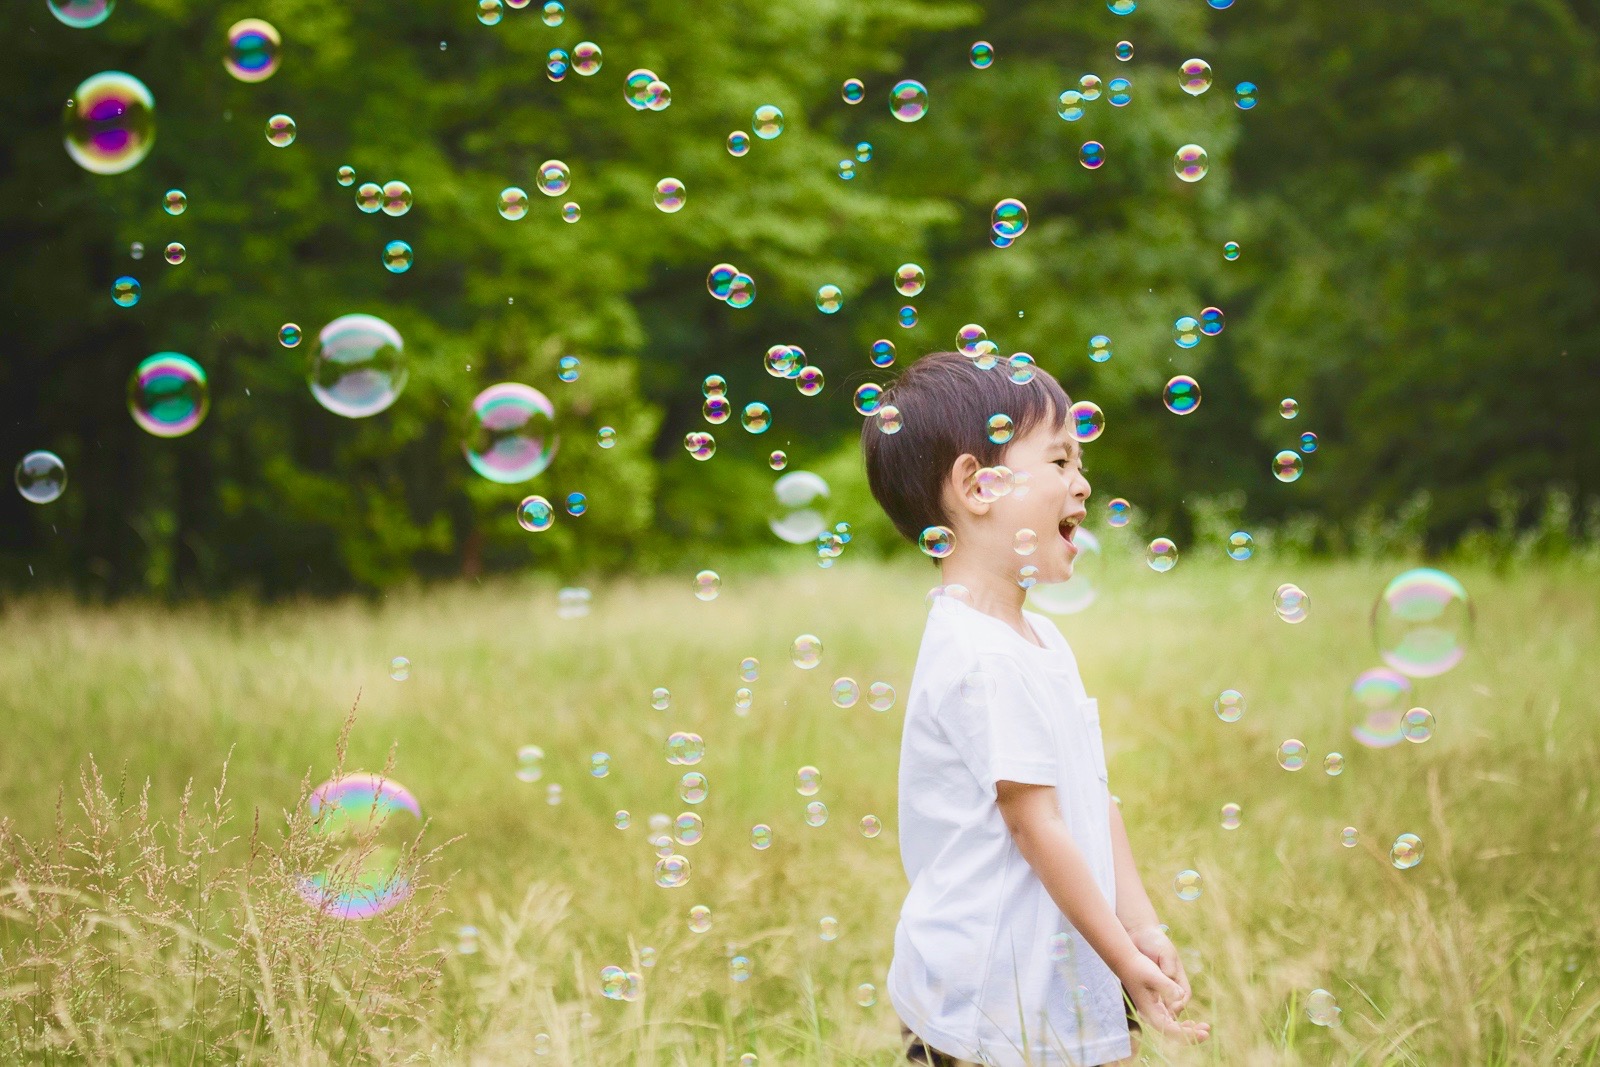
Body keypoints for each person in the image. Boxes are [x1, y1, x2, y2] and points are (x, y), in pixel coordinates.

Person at [860, 352, 1212, 1066]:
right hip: (987, 995)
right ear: (976, 484)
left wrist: (1139, 925)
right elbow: (1035, 824)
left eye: (1079, 461)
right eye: (1058, 460)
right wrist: (1123, 959)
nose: (1082, 482)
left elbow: (1091, 797)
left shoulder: (1040, 639)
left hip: (1048, 974)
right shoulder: (981, 653)